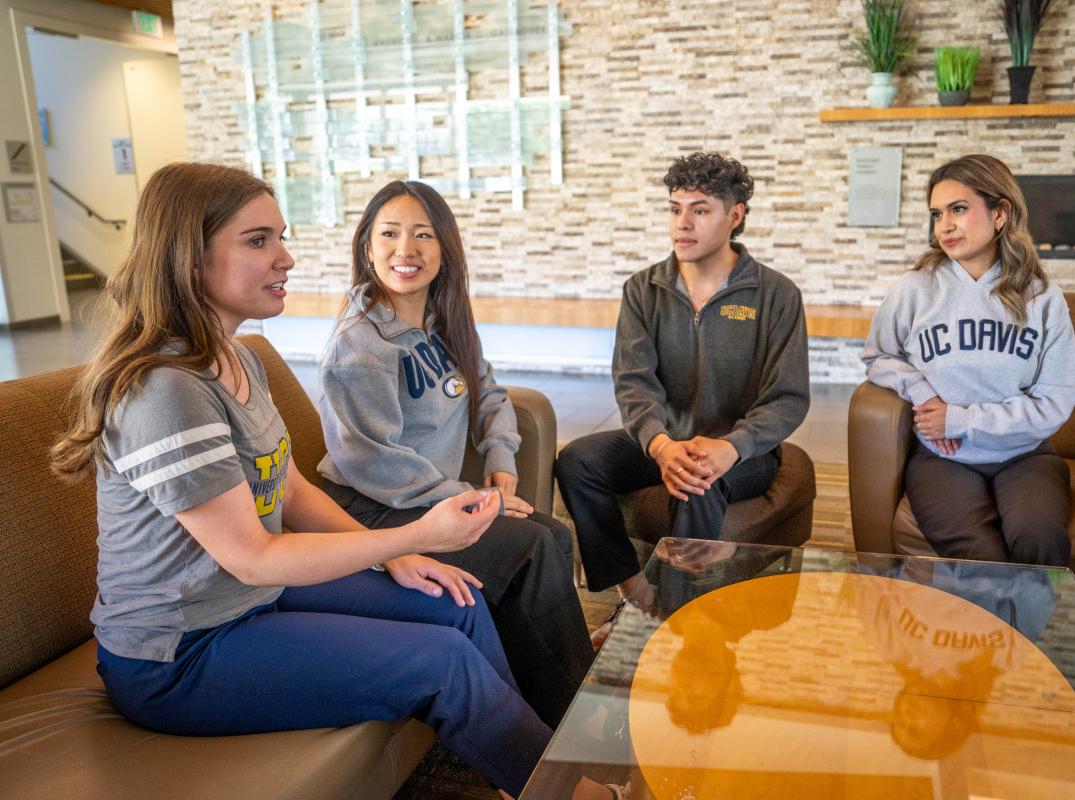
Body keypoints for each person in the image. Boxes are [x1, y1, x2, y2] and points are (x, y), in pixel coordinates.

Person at [48, 163, 616, 800]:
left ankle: (529, 770)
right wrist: (415, 533)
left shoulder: (237, 358)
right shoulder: (166, 390)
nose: (286, 257)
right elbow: (255, 557)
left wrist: (404, 554)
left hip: (247, 602)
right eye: (258, 241)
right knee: (444, 659)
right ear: (189, 255)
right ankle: (568, 791)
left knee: (454, 602)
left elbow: (289, 489)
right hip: (176, 654)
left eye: (280, 237)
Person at [315, 180, 592, 727]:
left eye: (423, 235)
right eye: (389, 234)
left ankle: (554, 687)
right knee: (533, 546)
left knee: (552, 534)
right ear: (366, 249)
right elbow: (371, 460)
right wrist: (468, 496)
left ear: (445, 248)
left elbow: (489, 393)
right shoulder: (359, 346)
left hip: (425, 495)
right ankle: (574, 722)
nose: (405, 250)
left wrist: (500, 460)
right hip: (371, 506)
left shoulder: (443, 320)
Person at [555, 152, 811, 647]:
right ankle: (634, 594)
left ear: (734, 216)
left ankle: (676, 623)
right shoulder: (643, 289)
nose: (682, 223)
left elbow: (787, 398)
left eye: (700, 209)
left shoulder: (776, 294)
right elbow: (633, 383)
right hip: (666, 440)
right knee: (578, 461)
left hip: (743, 452)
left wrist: (732, 446)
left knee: (698, 479)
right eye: (675, 209)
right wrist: (660, 445)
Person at [861, 153, 1075, 567]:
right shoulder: (915, 289)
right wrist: (922, 392)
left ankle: (1036, 632)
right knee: (979, 556)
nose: (944, 225)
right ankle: (985, 632)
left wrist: (960, 419)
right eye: (936, 214)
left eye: (958, 209)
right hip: (943, 459)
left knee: (1040, 541)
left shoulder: (1043, 298)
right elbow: (878, 355)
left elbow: (1057, 399)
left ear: (1000, 213)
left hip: (1024, 455)